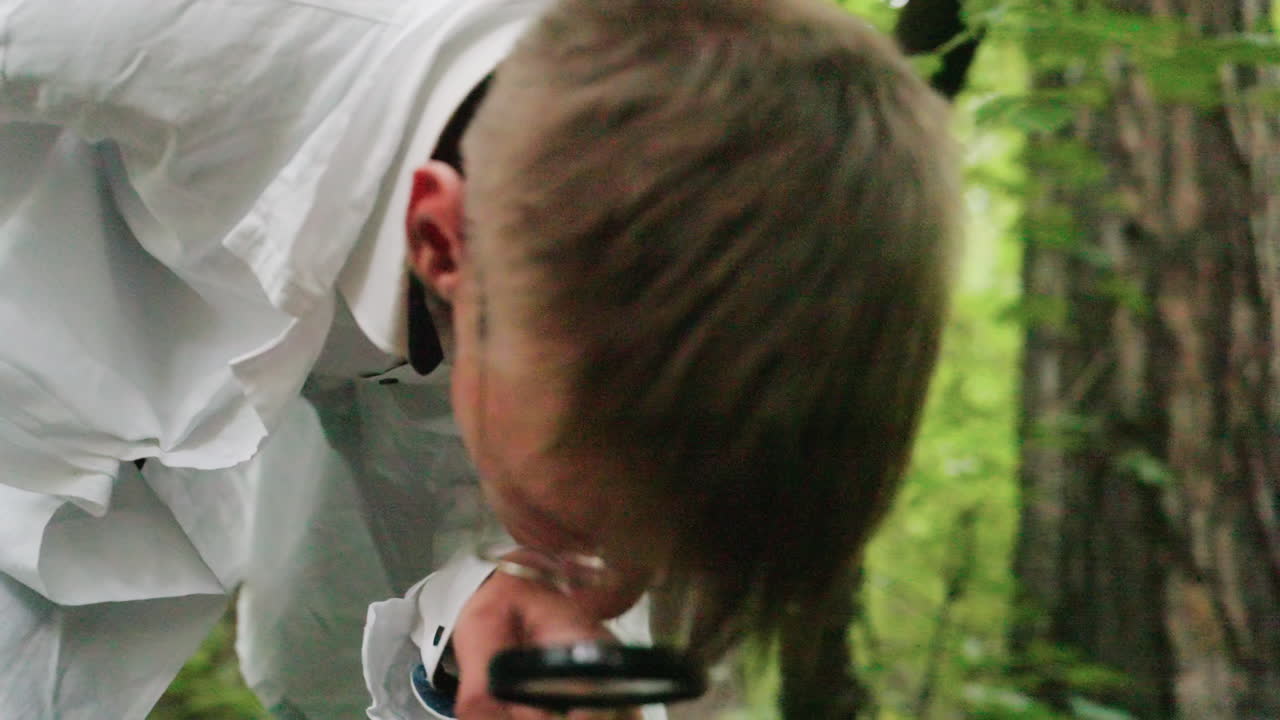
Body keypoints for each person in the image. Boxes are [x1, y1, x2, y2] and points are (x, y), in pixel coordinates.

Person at [0, 0, 959, 718]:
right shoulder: (202, 25)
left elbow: (454, 548)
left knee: (318, 660)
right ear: (440, 244)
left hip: (294, 402)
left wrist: (488, 609)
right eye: (577, 534)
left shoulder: (590, 272)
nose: (615, 589)